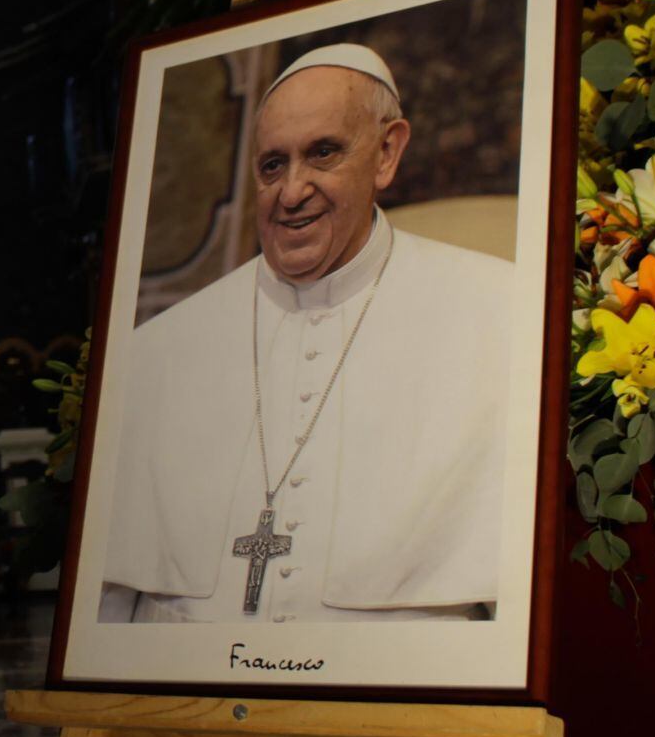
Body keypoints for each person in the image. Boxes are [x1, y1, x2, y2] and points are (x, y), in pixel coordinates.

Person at [98, 44, 510, 624]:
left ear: (387, 153)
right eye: (272, 165)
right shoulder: (158, 352)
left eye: (323, 154)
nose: (291, 192)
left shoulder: (499, 315)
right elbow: (106, 615)